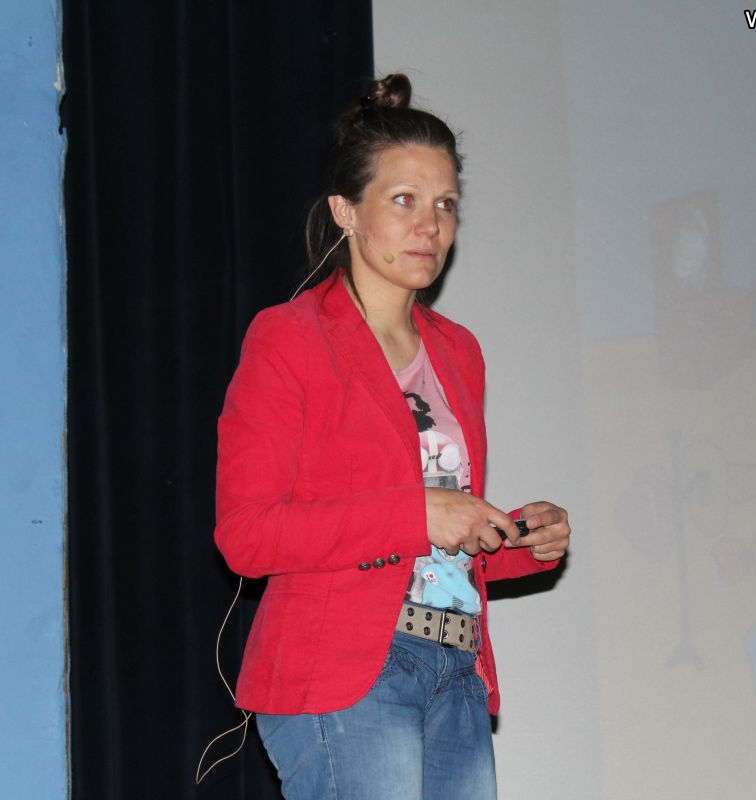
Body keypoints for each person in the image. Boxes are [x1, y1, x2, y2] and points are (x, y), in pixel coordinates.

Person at [214, 73, 571, 799]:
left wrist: (516, 538)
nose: (429, 226)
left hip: (456, 669)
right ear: (346, 211)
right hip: (348, 669)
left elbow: (437, 545)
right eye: (404, 200)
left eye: (446, 205)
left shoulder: (458, 350)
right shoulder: (290, 338)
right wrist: (419, 513)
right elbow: (247, 536)